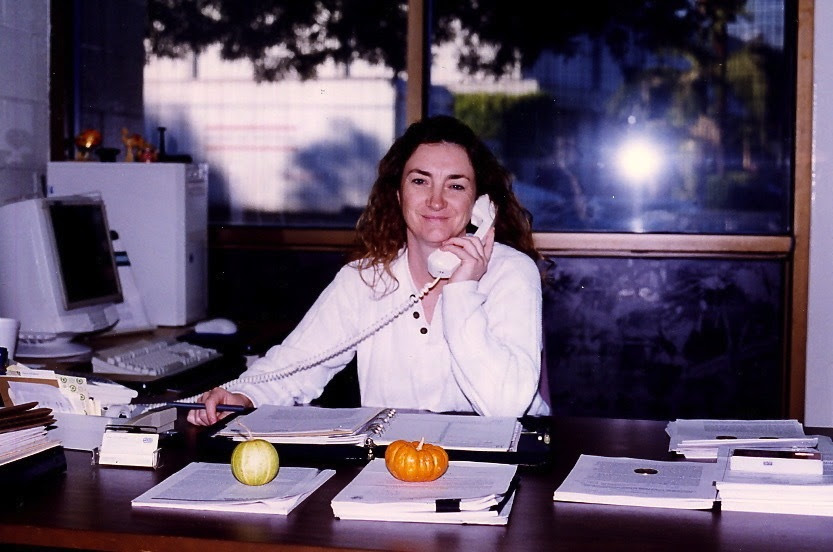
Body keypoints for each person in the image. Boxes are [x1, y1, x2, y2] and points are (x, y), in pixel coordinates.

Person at [188, 115, 551, 426]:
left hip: (502, 467)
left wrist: (461, 290)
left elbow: (506, 407)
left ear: (479, 204)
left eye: (455, 185)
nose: (436, 200)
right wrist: (242, 394)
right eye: (420, 181)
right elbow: (296, 364)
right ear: (398, 194)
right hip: (393, 469)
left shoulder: (511, 273)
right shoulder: (367, 277)